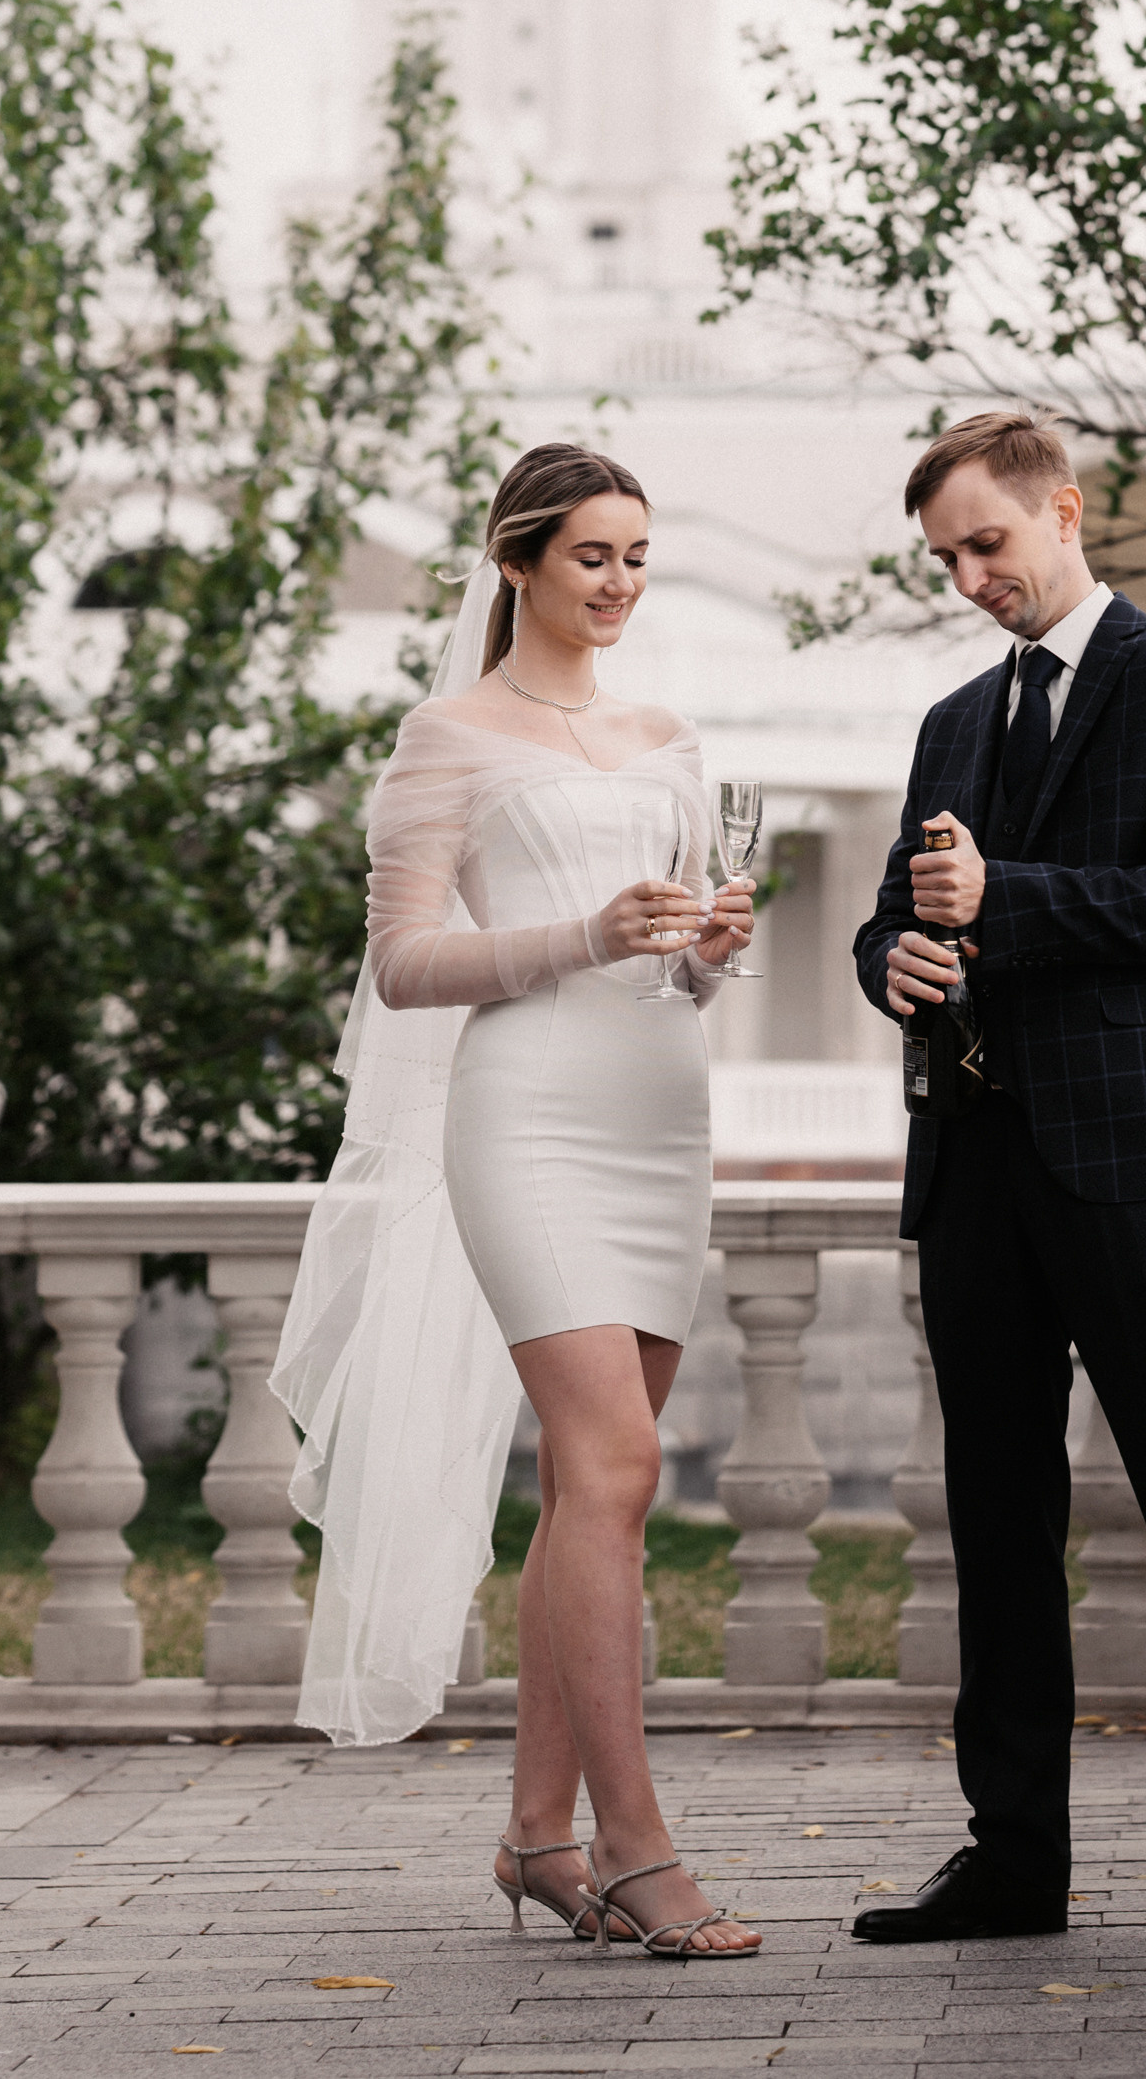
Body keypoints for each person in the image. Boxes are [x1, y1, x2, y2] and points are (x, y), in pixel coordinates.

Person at [848, 411, 1146, 1957]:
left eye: (988, 544)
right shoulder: (946, 723)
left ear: (1063, 513)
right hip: (976, 1169)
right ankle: (1014, 1859)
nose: (972, 577)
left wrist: (1005, 899)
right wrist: (898, 963)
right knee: (995, 1519)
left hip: (1130, 1169)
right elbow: (882, 929)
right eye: (947, 560)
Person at [272, 444, 761, 1959]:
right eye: (589, 557)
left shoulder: (669, 737)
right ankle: (635, 1848)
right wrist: (575, 932)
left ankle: (533, 1835)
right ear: (517, 563)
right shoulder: (450, 736)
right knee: (612, 1470)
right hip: (527, 1111)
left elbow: (669, 951)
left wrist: (705, 949)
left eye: (635, 558)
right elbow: (406, 966)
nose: (615, 586)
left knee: (586, 1487)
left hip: (659, 1109)